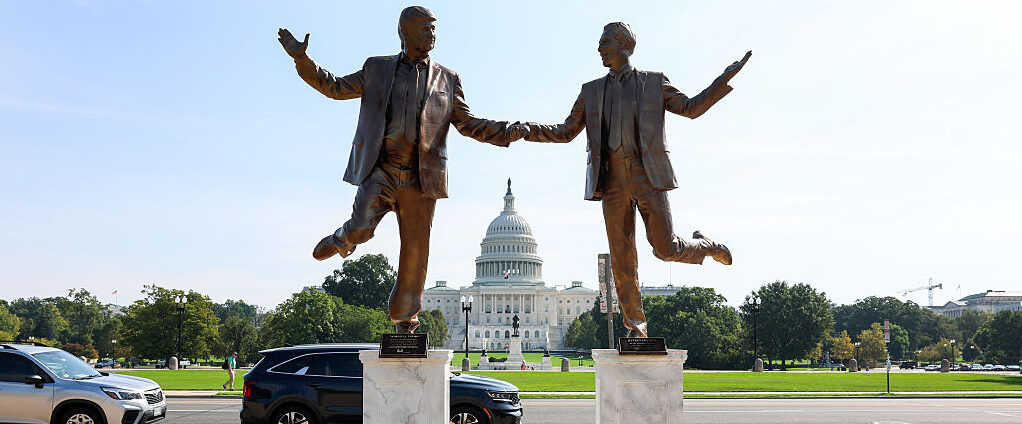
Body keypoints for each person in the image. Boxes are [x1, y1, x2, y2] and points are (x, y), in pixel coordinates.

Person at [278, 6, 528, 333]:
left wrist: (507, 131)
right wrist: (302, 60)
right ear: (405, 32)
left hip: (420, 178)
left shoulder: (448, 79)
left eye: (434, 28)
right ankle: (343, 238)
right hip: (381, 169)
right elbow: (335, 87)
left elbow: (468, 124)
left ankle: (405, 319)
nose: (432, 34)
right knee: (362, 229)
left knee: (415, 251)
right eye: (425, 28)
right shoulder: (377, 68)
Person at [522, 22, 750, 338]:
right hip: (611, 180)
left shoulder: (654, 83)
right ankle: (636, 324)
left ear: (625, 45)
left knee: (665, 248)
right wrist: (526, 130)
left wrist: (722, 80)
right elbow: (564, 132)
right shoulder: (591, 91)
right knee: (622, 258)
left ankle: (708, 245)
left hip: (648, 176)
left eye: (605, 42)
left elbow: (690, 108)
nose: (599, 48)